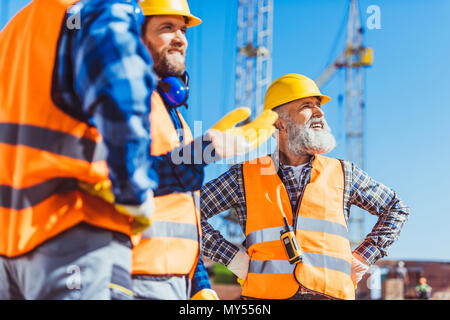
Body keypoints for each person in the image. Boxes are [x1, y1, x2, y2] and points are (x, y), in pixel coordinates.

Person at [200, 73, 410, 300]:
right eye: (307, 106)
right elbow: (187, 211)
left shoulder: (343, 172)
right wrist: (233, 259)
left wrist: (363, 258)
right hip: (265, 298)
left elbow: (395, 208)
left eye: (319, 106)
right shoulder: (244, 175)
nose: (319, 112)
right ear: (278, 122)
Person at [0, 0, 158, 299]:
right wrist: (134, 191)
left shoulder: (14, 29)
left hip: (10, 244)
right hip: (74, 228)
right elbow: (121, 93)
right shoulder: (99, 9)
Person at [129, 0, 278, 300]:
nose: (181, 38)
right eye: (166, 28)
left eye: (183, 29)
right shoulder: (124, 102)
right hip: (132, 275)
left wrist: (200, 285)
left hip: (176, 281)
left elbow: (184, 215)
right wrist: (203, 152)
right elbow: (121, 177)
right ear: (135, 36)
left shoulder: (177, 120)